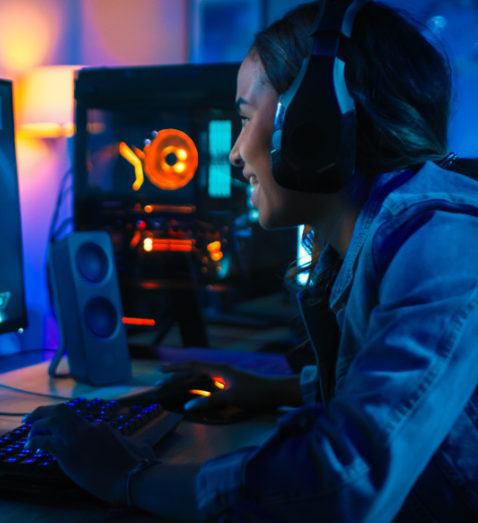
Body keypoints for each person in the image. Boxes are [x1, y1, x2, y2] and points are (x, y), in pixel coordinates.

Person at [25, 1, 478, 521]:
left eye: (244, 119)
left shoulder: (442, 246)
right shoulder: (392, 239)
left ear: (313, 124)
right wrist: (273, 389)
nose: (236, 153)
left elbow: (344, 480)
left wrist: (128, 476)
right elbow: (397, 393)